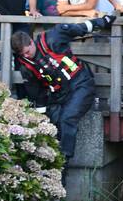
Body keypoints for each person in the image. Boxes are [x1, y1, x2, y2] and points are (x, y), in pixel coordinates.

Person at [12, 15, 116, 164]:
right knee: (54, 119)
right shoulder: (26, 67)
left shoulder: (53, 38)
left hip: (81, 84)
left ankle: (63, 160)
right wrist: (42, 119)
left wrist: (104, 21)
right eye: (22, 55)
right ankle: (49, 158)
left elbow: (80, 28)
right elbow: (38, 95)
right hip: (59, 93)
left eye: (27, 52)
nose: (26, 56)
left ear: (31, 42)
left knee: (67, 118)